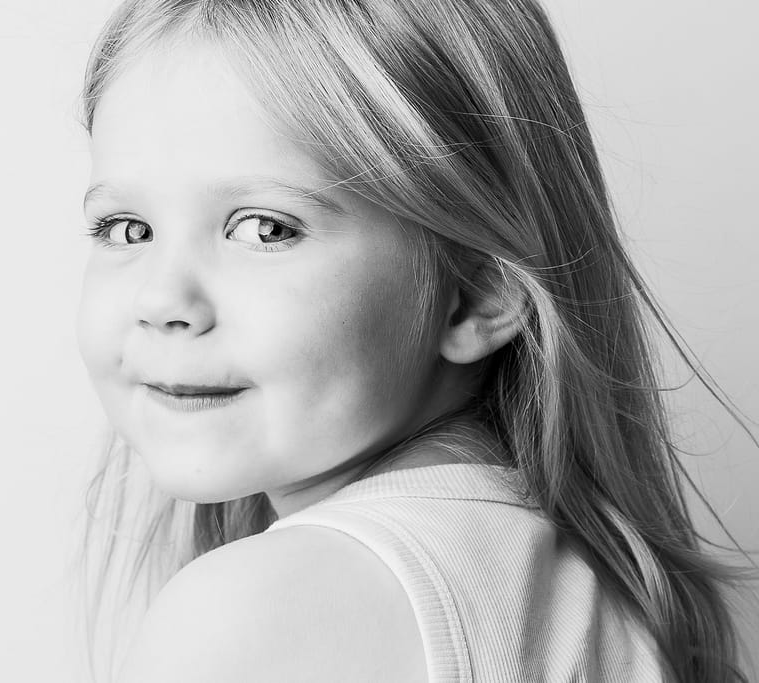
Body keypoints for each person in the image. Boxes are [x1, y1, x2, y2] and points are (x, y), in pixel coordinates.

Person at [74, 0, 755, 681]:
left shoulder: (252, 613)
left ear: (476, 293)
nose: (163, 300)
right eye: (127, 228)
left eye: (265, 227)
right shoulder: (605, 600)